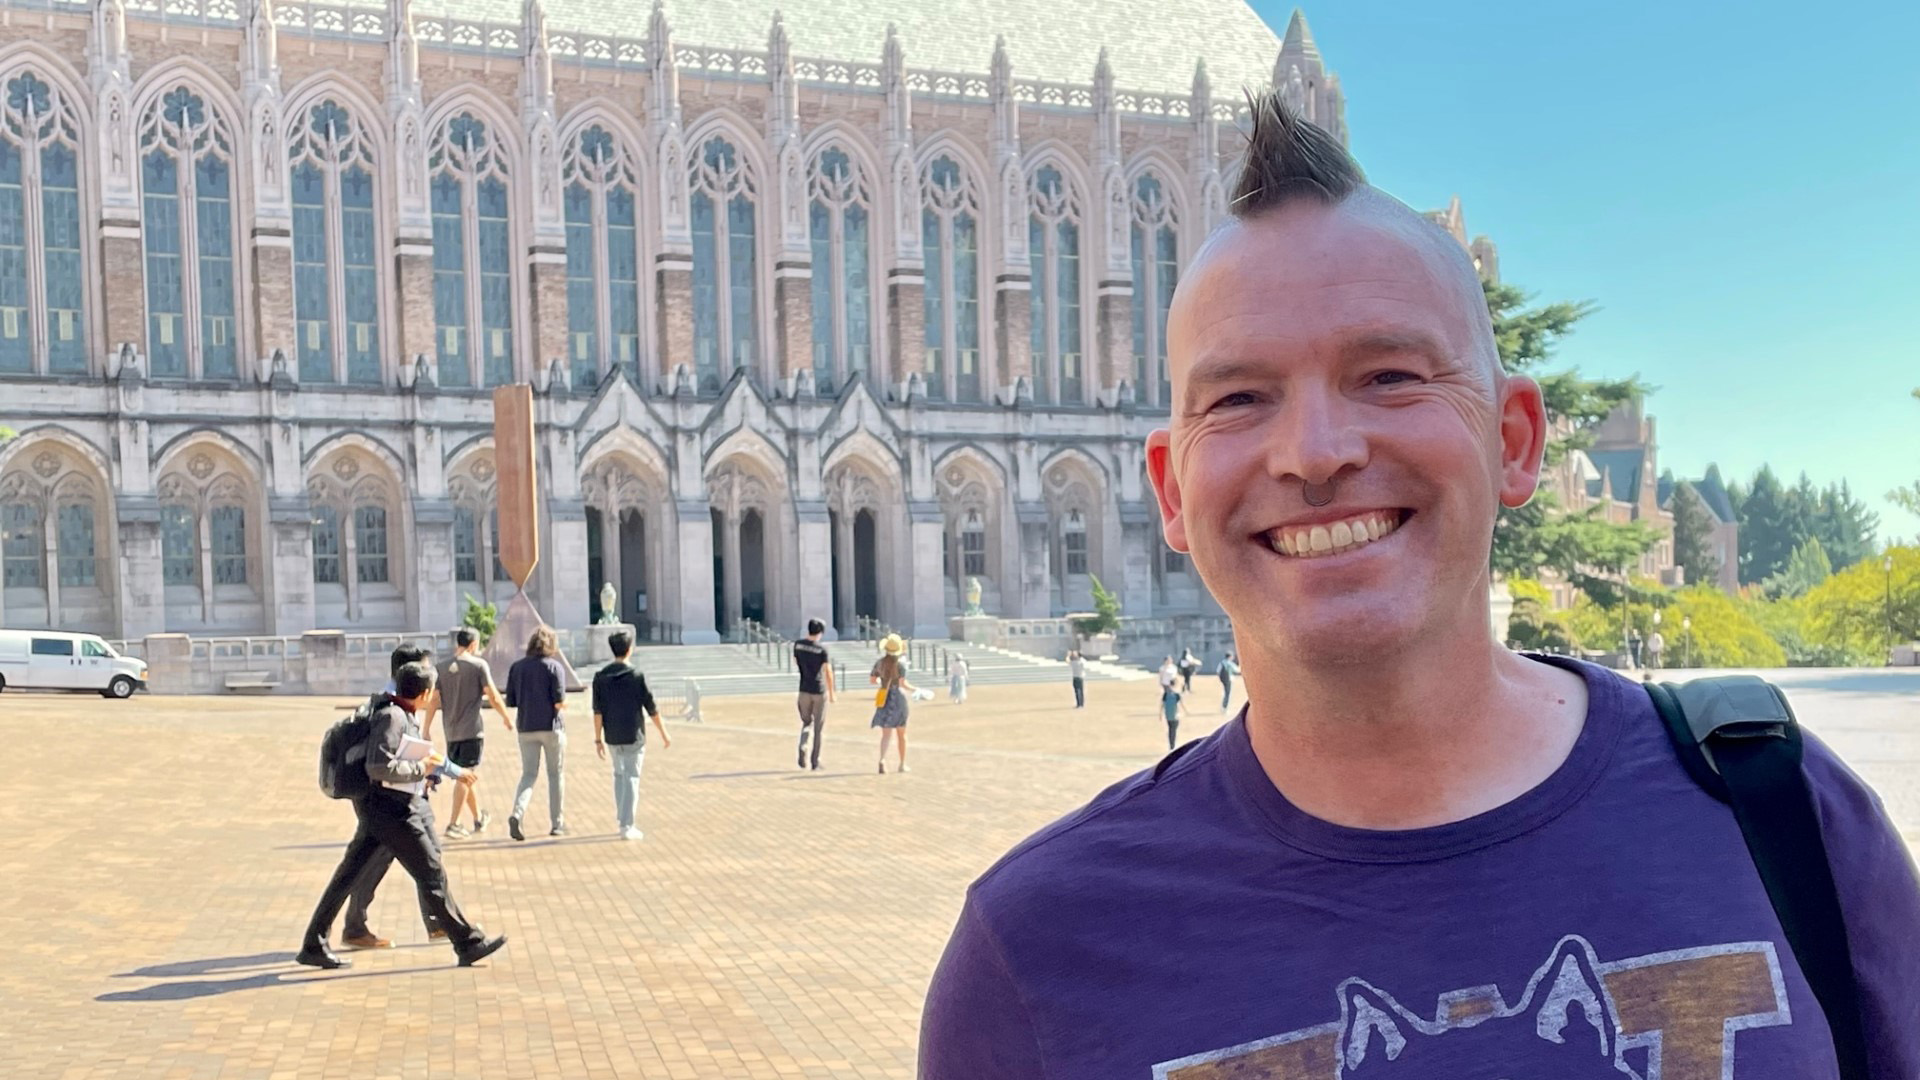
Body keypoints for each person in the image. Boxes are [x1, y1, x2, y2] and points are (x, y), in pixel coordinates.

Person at [920, 90, 1920, 1077]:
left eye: (1389, 376)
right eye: (1238, 397)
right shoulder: (1036, 955)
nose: (1314, 453)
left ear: (1515, 440)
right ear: (1172, 490)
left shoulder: (1782, 814)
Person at [298, 661, 508, 970]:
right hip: (393, 810)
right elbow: (379, 766)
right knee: (431, 872)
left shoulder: (394, 711)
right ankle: (467, 942)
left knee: (348, 876)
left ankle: (313, 944)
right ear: (424, 694)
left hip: (380, 809)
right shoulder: (392, 717)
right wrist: (419, 769)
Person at [340, 644, 441, 950]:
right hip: (388, 798)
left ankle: (439, 922)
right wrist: (418, 770)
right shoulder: (390, 707)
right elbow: (381, 760)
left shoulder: (399, 701)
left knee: (429, 856)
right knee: (376, 861)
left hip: (407, 793)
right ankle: (353, 926)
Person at [424, 628, 513, 839]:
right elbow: (492, 694)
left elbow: (434, 700)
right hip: (472, 730)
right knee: (464, 777)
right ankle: (454, 823)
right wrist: (506, 717)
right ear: (473, 644)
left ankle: (478, 816)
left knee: (463, 774)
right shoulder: (478, 665)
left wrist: (426, 728)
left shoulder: (441, 668)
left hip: (451, 731)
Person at [592, 630, 671, 840]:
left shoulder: (600, 677)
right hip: (634, 734)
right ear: (629, 649)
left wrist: (597, 738)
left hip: (612, 735)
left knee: (619, 775)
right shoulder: (637, 676)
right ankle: (627, 825)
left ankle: (622, 818)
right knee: (632, 777)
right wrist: (663, 733)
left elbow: (597, 711)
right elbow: (651, 708)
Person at [505, 627, 570, 841]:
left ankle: (517, 812)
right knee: (555, 774)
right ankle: (557, 823)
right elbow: (559, 702)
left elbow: (511, 701)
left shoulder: (517, 667)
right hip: (551, 727)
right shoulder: (554, 667)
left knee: (528, 774)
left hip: (526, 726)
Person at [870, 634, 919, 774]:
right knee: (901, 733)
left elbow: (873, 680)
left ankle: (882, 760)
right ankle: (902, 764)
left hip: (884, 697)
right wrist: (915, 689)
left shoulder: (879, 663)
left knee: (886, 734)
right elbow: (903, 683)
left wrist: (882, 683)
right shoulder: (900, 665)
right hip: (898, 698)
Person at [792, 618, 836, 770]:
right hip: (819, 690)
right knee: (818, 727)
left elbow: (796, 662)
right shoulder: (822, 650)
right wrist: (832, 692)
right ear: (821, 632)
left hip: (803, 689)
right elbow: (828, 672)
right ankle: (815, 761)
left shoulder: (798, 645)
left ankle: (803, 746)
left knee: (806, 722)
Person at [1159, 680, 1185, 751]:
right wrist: (1185, 711)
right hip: (1175, 715)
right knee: (1173, 730)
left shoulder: (1166, 694)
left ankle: (1171, 744)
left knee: (1170, 729)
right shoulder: (1176, 694)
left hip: (1168, 715)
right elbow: (1181, 704)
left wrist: (1160, 714)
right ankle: (1172, 745)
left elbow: (1162, 705)